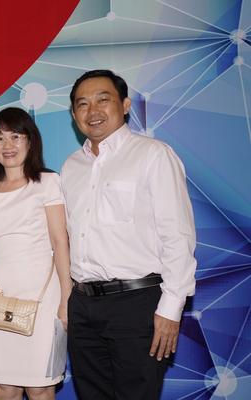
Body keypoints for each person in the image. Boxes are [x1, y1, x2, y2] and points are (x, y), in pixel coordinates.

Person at [61, 69, 197, 400]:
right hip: (83, 306)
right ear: (74, 114)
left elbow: (177, 236)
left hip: (138, 305)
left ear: (124, 105)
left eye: (102, 100)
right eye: (82, 104)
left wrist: (170, 308)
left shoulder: (153, 155)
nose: (92, 111)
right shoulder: (70, 167)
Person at [0, 107, 72, 400]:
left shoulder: (47, 182)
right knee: (5, 387)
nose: (8, 145)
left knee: (40, 387)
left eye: (16, 136)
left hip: (42, 297)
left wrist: (66, 297)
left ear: (30, 141)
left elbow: (60, 241)